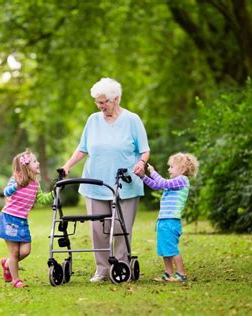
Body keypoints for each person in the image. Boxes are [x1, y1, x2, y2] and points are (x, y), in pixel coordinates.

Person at [62, 77, 150, 282]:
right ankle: (101, 269)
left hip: (125, 184)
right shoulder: (93, 120)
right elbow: (82, 148)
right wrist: (68, 165)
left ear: (116, 99)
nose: (100, 106)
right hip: (95, 182)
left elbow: (145, 150)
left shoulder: (132, 120)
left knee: (121, 228)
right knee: (98, 228)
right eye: (97, 102)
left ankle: (121, 267)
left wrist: (141, 163)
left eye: (104, 102)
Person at [0, 150, 53, 288]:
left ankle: (7, 263)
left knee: (25, 251)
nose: (38, 163)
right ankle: (16, 280)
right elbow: (6, 192)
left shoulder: (36, 184)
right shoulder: (16, 178)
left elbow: (42, 199)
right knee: (14, 252)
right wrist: (16, 185)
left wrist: (54, 193)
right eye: (34, 161)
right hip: (9, 219)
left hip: (22, 221)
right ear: (25, 166)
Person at [135, 152, 199, 282]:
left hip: (171, 221)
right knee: (164, 248)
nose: (169, 169)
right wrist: (143, 176)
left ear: (182, 169)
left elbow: (162, 182)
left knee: (172, 248)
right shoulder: (173, 182)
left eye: (171, 167)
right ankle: (168, 274)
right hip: (164, 220)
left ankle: (181, 274)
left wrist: (152, 172)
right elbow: (156, 185)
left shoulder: (182, 181)